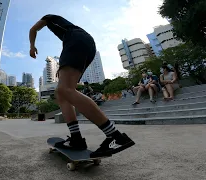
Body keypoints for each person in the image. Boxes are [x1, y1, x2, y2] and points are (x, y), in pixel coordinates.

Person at [29, 14, 135, 157]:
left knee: (65, 89)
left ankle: (116, 136)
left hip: (76, 40)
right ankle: (76, 139)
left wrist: (32, 46)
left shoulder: (49, 18)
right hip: (86, 44)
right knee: (62, 92)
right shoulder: (69, 28)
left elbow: (33, 29)